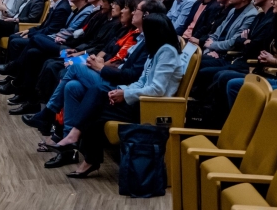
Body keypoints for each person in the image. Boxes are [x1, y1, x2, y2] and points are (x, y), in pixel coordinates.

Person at [67, 13, 187, 178]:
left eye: (145, 30)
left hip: (150, 106)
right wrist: (120, 90)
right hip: (139, 100)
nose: (142, 34)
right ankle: (79, 142)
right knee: (96, 95)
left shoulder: (167, 52)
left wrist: (126, 94)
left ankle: (82, 148)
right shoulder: (157, 50)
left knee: (94, 108)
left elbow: (157, 90)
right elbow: (142, 81)